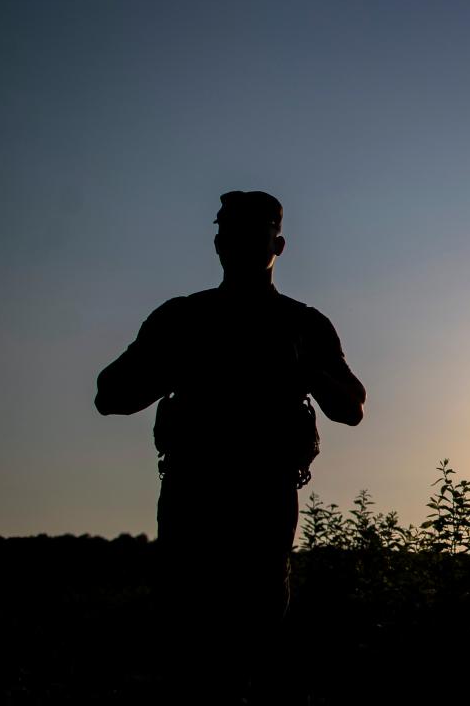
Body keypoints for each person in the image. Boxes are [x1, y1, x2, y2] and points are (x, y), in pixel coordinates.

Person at [95, 190, 366, 701]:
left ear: (277, 244)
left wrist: (303, 370)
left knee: (258, 631)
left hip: (264, 499)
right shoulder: (182, 318)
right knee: (190, 636)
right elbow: (110, 395)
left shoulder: (302, 324)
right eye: (226, 230)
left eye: (250, 231)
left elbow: (351, 407)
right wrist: (173, 366)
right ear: (216, 242)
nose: (233, 240)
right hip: (193, 495)